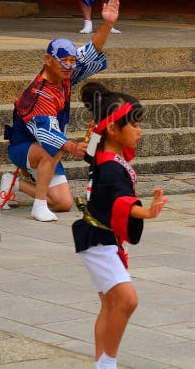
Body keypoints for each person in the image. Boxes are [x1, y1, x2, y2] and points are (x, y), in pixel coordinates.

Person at [73, 81, 167, 369]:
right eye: (134, 125)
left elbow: (116, 198)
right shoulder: (110, 166)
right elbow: (119, 201)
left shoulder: (104, 155)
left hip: (98, 238)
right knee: (127, 300)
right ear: (113, 129)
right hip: (98, 241)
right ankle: (107, 363)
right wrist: (147, 212)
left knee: (111, 304)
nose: (140, 131)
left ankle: (102, 363)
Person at [2, 0, 119, 222]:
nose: (70, 66)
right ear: (48, 60)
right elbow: (49, 135)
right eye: (65, 61)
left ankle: (13, 183)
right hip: (23, 147)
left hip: (46, 148)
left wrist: (107, 23)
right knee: (52, 148)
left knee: (64, 203)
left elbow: (92, 50)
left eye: (72, 61)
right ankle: (38, 205)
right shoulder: (39, 94)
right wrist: (74, 147)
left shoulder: (65, 72)